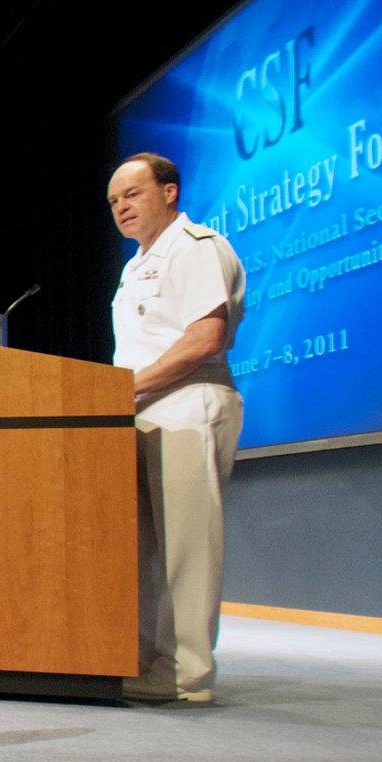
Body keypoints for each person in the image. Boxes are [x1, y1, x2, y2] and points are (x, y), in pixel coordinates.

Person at [107, 152, 247, 704]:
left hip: (189, 402)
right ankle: (142, 660)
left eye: (132, 194)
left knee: (187, 548)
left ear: (169, 192)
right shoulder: (135, 264)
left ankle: (187, 673)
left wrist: (126, 388)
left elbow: (205, 338)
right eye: (114, 201)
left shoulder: (195, 248)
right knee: (140, 549)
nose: (121, 207)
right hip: (142, 409)